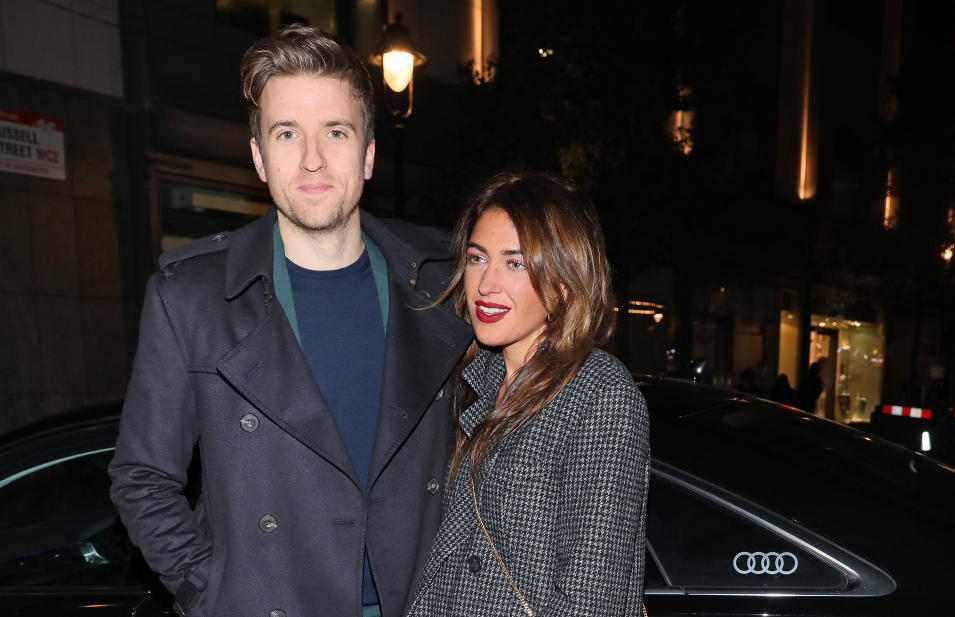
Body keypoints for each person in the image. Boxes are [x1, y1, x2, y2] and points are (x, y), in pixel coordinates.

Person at [108, 25, 473, 617]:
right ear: (259, 156)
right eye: (286, 134)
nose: (312, 159)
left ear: (369, 153)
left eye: (335, 131)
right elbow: (141, 478)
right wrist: (216, 593)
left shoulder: (442, 284)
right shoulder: (192, 298)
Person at [406, 171, 650, 616]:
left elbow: (592, 602)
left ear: (563, 282)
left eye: (514, 263)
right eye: (478, 259)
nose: (486, 284)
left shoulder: (600, 394)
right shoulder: (470, 382)